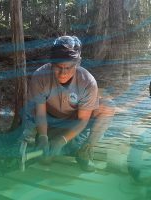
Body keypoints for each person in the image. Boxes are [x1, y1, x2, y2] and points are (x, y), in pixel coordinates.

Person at [26, 36, 114, 172]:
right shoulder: (40, 76)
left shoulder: (88, 82)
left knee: (107, 107)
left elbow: (83, 120)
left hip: (76, 121)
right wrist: (43, 137)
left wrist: (62, 140)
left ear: (77, 64)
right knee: (46, 160)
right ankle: (51, 142)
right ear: (51, 63)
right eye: (58, 67)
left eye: (68, 67)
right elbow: (40, 113)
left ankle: (85, 150)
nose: (63, 73)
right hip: (52, 122)